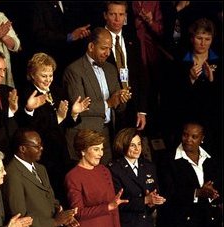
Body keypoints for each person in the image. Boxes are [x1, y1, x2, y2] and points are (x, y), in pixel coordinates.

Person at [19, 52, 90, 205]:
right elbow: (31, 129)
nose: (48, 79)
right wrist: (57, 117)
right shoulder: (26, 93)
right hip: (42, 156)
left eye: (50, 75)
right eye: (44, 75)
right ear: (32, 74)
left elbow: (67, 123)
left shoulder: (57, 91)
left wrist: (74, 113)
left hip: (61, 151)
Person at [3, 128, 79, 227]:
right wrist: (54, 222)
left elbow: (51, 199)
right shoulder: (12, 173)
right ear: (23, 149)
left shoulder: (40, 169)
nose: (41, 148)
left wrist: (63, 216)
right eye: (37, 146)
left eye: (41, 145)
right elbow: (19, 215)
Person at [63, 27, 131, 165]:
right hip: (84, 138)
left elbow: (118, 107)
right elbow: (81, 106)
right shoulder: (74, 70)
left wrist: (122, 99)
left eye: (109, 48)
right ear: (91, 46)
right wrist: (109, 103)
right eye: (103, 48)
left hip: (107, 135)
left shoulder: (111, 69)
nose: (107, 53)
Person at [157, 121, 222, 227]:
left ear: (202, 138)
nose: (188, 140)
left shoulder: (211, 160)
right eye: (185, 135)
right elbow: (167, 193)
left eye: (194, 136)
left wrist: (213, 194)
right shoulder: (168, 160)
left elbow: (217, 188)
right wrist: (196, 193)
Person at [65, 129, 128, 227]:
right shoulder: (73, 176)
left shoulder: (104, 171)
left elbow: (114, 209)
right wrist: (107, 207)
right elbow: (78, 212)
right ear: (82, 151)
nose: (101, 153)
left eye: (102, 149)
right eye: (96, 149)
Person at [108, 128, 166, 227]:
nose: (137, 149)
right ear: (122, 145)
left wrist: (154, 202)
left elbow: (153, 193)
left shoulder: (149, 166)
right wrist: (144, 200)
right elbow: (117, 203)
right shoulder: (114, 169)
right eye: (132, 145)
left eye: (139, 144)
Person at [173, 18, 221, 158]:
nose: (203, 43)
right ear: (192, 38)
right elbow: (174, 96)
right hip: (186, 119)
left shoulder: (218, 61)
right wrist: (191, 80)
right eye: (199, 38)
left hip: (212, 121)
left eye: (207, 39)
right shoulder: (180, 61)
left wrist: (212, 80)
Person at [103, 1, 148, 131]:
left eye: (121, 14)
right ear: (105, 15)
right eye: (113, 14)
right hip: (109, 108)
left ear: (126, 16)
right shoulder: (96, 39)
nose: (117, 19)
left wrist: (142, 110)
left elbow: (141, 76)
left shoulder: (132, 39)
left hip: (132, 107)